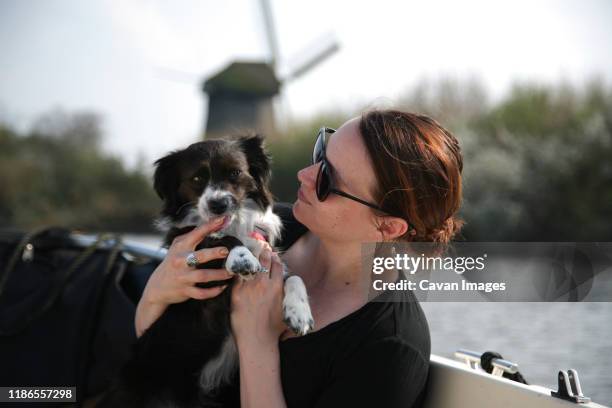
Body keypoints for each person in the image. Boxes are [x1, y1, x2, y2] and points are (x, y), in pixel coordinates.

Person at [135, 109, 464, 407]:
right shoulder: (266, 224)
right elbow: (157, 356)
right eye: (321, 152)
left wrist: (257, 341)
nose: (305, 174)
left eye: (328, 180)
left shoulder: (389, 345)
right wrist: (157, 292)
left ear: (388, 226)